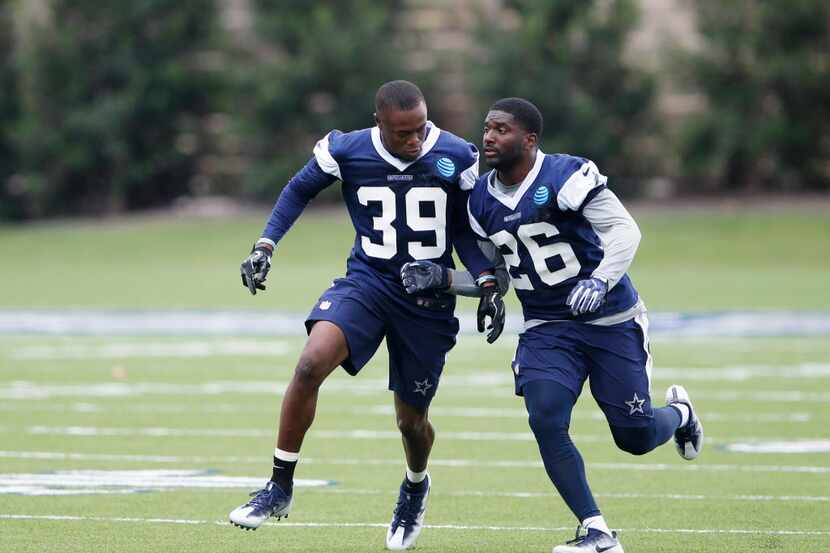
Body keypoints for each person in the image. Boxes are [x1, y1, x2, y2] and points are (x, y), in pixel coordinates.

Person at [400, 97, 704, 553]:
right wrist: (445, 279)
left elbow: (625, 231)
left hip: (610, 320)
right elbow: (497, 278)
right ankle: (597, 530)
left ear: (529, 139)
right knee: (545, 416)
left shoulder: (565, 175)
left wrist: (600, 281)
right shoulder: (480, 199)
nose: (489, 137)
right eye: (487, 128)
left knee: (635, 437)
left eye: (501, 129)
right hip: (547, 326)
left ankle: (680, 415)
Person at [229, 80, 498, 551]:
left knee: (411, 423)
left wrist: (488, 284)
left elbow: (465, 232)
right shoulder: (347, 149)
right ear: (380, 124)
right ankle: (278, 486)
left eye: (420, 129)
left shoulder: (457, 155)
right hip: (368, 284)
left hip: (427, 300)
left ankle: (415, 485)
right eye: (403, 133)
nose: (414, 140)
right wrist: (265, 245)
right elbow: (298, 190)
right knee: (310, 364)